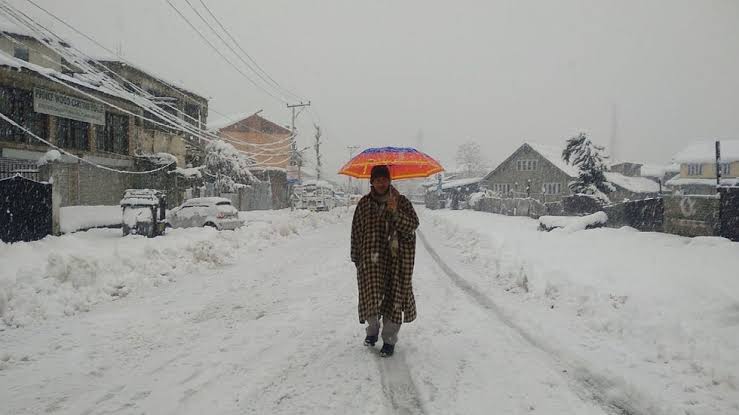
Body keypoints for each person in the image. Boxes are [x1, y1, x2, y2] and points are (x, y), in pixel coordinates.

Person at [350, 165, 419, 357]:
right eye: (377, 179)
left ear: (389, 181)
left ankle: (389, 340)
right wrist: (356, 256)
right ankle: (372, 332)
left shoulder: (401, 201)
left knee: (393, 300)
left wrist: (395, 212)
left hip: (395, 262)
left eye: (384, 179)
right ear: (371, 182)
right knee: (370, 298)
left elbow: (413, 226)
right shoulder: (364, 204)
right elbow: (356, 231)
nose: (381, 183)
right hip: (370, 262)